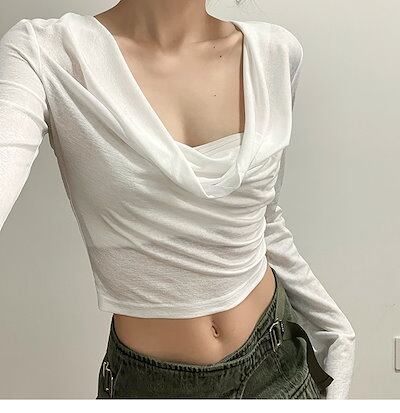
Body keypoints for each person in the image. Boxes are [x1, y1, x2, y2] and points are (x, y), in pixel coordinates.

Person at [0, 0, 355, 399]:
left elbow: (263, 218)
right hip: (150, 386)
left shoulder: (276, 52)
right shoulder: (46, 54)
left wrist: (335, 331)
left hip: (278, 363)